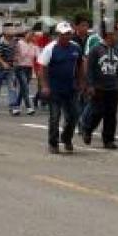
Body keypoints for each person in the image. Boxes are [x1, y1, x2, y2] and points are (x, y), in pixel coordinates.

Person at [39, 21, 84, 154]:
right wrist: (45, 86)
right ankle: (53, 143)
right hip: (54, 89)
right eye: (64, 34)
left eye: (69, 34)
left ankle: (66, 138)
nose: (67, 36)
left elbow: (80, 65)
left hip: (70, 88)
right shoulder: (50, 48)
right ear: (58, 35)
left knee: (74, 115)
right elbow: (43, 68)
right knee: (55, 116)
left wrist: (81, 82)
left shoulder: (75, 47)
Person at [83, 24, 118, 150]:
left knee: (111, 115)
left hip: (113, 87)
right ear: (108, 35)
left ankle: (108, 140)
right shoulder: (96, 50)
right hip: (99, 87)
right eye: (116, 34)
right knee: (97, 112)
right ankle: (87, 129)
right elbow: (89, 69)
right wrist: (90, 85)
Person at [0, 23, 18, 115]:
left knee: (12, 87)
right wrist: (3, 63)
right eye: (11, 29)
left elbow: (14, 52)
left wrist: (15, 59)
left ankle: (13, 107)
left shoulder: (14, 41)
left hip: (10, 68)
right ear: (5, 32)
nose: (13, 31)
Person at [13, 30, 38, 115]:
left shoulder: (33, 46)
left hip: (29, 68)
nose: (31, 37)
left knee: (23, 88)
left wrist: (35, 46)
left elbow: (37, 56)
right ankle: (29, 107)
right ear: (25, 35)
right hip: (20, 67)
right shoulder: (19, 43)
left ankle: (16, 107)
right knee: (25, 87)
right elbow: (15, 54)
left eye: (32, 35)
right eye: (29, 35)